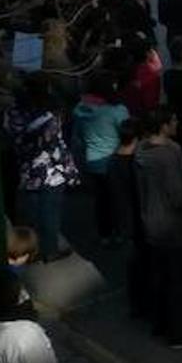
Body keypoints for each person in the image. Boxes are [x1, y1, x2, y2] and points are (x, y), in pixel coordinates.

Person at [134, 108, 182, 347]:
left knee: (160, 276)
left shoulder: (141, 150)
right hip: (174, 225)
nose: (177, 123)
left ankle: (160, 323)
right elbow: (178, 196)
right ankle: (179, 332)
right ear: (164, 125)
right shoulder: (170, 154)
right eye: (173, 120)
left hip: (151, 221)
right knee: (178, 281)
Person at [5, 73, 78, 262]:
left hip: (26, 170)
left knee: (34, 213)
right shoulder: (49, 116)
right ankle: (50, 250)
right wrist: (70, 171)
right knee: (50, 214)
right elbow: (55, 147)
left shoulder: (12, 113)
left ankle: (33, 248)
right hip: (50, 173)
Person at [71, 71, 132, 247]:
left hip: (92, 161)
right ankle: (120, 233)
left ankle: (104, 233)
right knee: (118, 200)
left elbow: (79, 136)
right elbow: (126, 132)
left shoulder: (80, 110)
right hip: (113, 160)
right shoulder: (117, 111)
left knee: (101, 200)